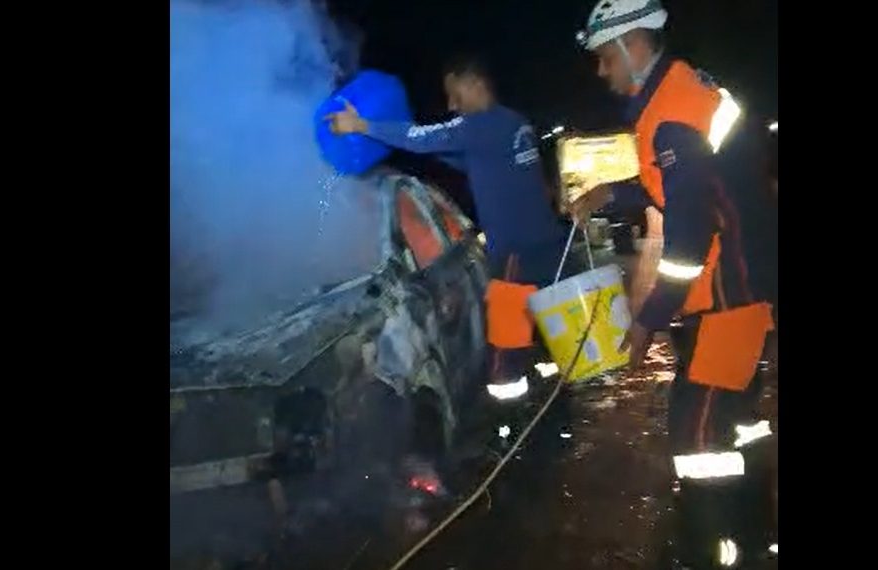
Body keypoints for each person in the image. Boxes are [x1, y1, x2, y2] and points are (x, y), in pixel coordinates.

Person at [572, 0, 765, 458]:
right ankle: (745, 520)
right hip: (737, 284)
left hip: (730, 293)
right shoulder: (675, 94)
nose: (601, 71)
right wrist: (610, 194)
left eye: (607, 56)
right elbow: (675, 184)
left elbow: (688, 239)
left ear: (635, 45)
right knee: (732, 421)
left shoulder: (671, 113)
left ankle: (717, 527)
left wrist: (647, 321)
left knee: (699, 435)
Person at [326, 56, 576, 397]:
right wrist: (408, 143)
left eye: (454, 94)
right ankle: (553, 401)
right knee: (546, 336)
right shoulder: (512, 123)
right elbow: (456, 154)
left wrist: (362, 127)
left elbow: (425, 138)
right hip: (542, 245)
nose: (451, 104)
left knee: (506, 354)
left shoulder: (481, 124)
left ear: (474, 84)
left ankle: (513, 427)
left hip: (515, 255)